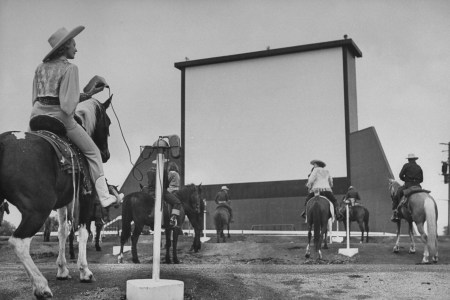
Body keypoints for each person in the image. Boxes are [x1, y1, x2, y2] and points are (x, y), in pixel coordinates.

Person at [29, 26, 122, 208]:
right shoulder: (70, 68)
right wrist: (86, 96)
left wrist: (87, 95)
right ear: (65, 47)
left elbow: (36, 97)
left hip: (36, 116)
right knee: (93, 152)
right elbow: (67, 105)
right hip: (60, 118)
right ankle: (104, 196)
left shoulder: (40, 68)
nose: (76, 49)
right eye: (74, 45)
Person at [391, 153, 423, 222]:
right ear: (415, 159)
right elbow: (421, 179)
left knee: (398, 193)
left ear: (408, 160)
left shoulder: (406, 165)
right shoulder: (419, 167)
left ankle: (396, 213)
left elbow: (400, 175)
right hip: (418, 186)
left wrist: (405, 180)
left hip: (408, 185)